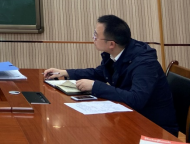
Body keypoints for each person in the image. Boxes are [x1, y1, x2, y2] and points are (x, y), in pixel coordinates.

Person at [44, 15, 178, 136]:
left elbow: (137, 99)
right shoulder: (118, 52)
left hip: (154, 128)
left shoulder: (144, 63)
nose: (93, 38)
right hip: (132, 118)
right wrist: (66, 72)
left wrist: (95, 86)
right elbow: (100, 72)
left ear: (111, 44)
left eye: (96, 35)